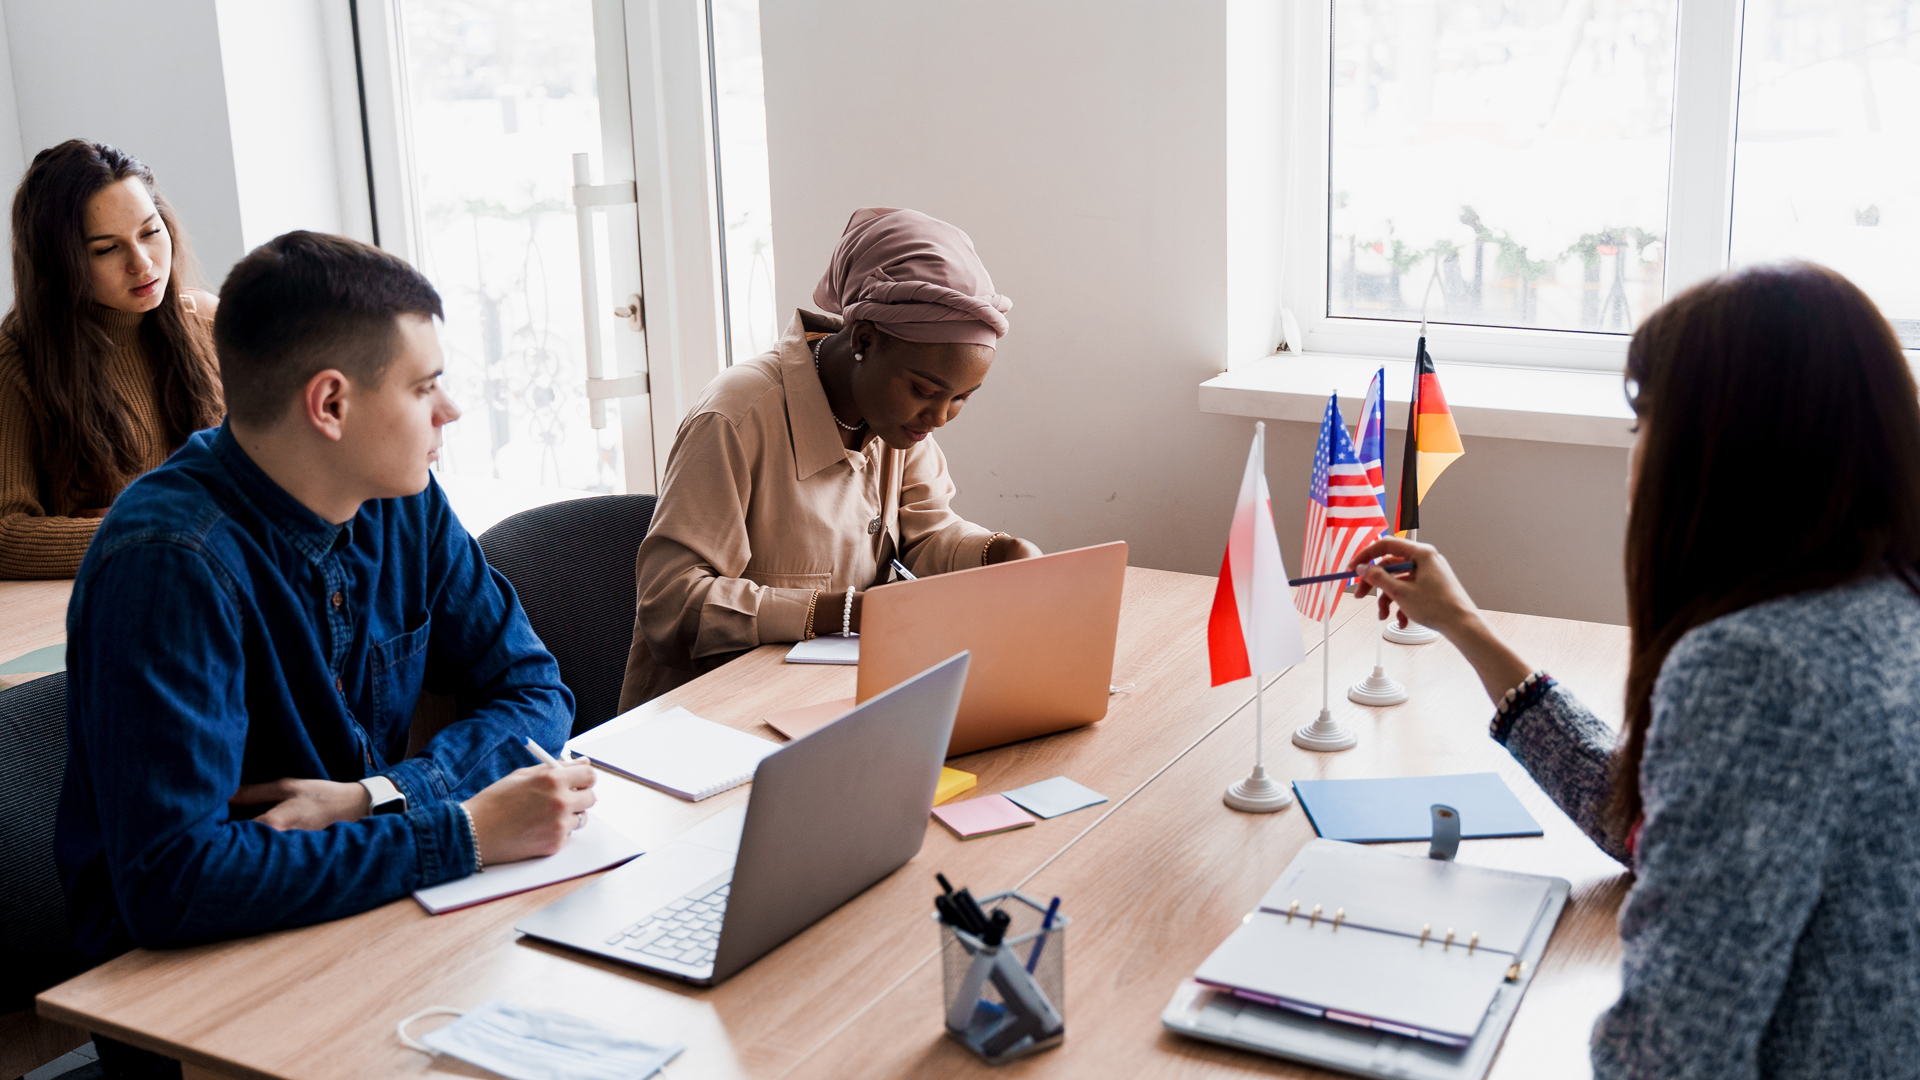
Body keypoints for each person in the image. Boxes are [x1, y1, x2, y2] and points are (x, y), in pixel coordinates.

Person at [1350, 262, 1920, 1080]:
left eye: (1641, 425)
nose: (1634, 459)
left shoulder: (1759, 670)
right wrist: (1466, 626)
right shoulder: (1885, 612)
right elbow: (1653, 826)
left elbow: (1670, 1056)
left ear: (1724, 450)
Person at [58, 232, 596, 965]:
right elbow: (174, 883)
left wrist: (382, 796)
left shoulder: (401, 499)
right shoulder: (169, 562)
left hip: (364, 919)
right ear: (331, 403)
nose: (452, 409)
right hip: (193, 986)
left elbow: (532, 687)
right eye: (421, 386)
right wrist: (461, 832)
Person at [619, 207, 1042, 710]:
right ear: (863, 339)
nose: (942, 416)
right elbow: (671, 605)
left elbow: (926, 533)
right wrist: (836, 613)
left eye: (962, 397)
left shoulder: (897, 421)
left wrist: (996, 552)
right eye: (927, 390)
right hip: (707, 721)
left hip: (824, 704)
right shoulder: (736, 417)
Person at [0, 139, 224, 579]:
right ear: (59, 264)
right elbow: (5, 536)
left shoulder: (207, 321)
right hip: (109, 604)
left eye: (150, 232)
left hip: (221, 585)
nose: (142, 264)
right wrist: (151, 526)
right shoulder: (16, 363)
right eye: (107, 249)